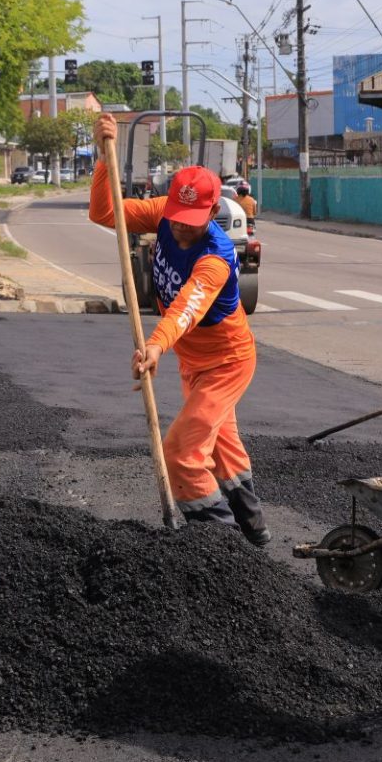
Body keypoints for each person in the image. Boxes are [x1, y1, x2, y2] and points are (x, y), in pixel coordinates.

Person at [88, 112, 269, 546]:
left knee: (182, 454)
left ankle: (220, 549)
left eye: (192, 218)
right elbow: (105, 212)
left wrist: (154, 347)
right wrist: (103, 160)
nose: (181, 226)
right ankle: (256, 537)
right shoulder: (165, 215)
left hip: (227, 362)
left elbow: (186, 309)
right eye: (177, 215)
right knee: (224, 450)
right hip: (193, 362)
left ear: (210, 212)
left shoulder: (215, 256)